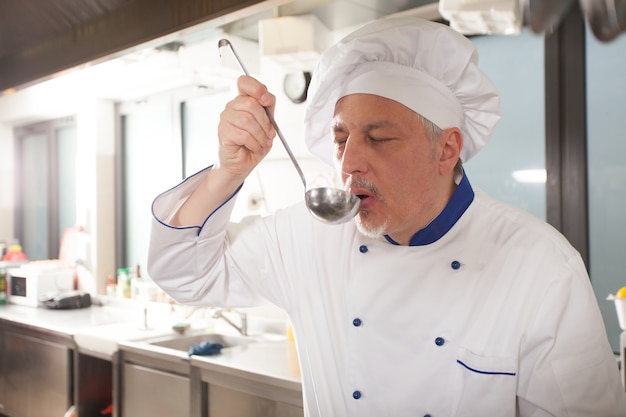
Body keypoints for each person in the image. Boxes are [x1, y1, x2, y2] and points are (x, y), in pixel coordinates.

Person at [148, 16, 626, 416]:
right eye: (341, 139)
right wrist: (227, 173)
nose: (349, 162)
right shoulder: (309, 237)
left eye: (378, 138)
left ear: (447, 149)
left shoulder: (539, 266)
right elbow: (184, 274)